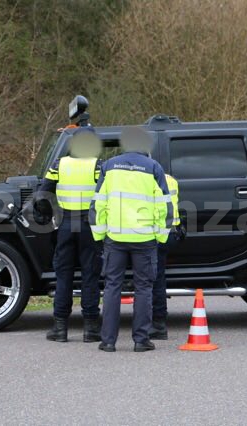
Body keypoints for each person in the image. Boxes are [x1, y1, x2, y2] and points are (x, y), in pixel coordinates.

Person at [89, 126, 173, 352]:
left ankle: (108, 341)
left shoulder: (109, 166)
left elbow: (98, 204)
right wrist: (160, 237)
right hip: (145, 239)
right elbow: (164, 207)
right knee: (144, 288)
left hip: (115, 238)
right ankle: (141, 340)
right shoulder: (154, 167)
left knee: (112, 286)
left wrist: (100, 235)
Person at [36, 127, 103, 343]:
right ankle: (91, 329)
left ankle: (60, 328)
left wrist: (47, 217)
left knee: (63, 276)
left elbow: (43, 193)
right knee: (90, 275)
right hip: (89, 225)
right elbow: (105, 193)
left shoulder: (60, 164)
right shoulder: (96, 165)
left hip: (66, 224)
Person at [149, 173, 183, 340]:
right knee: (157, 277)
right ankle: (157, 323)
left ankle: (157, 324)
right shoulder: (171, 179)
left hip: (154, 234)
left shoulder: (147, 179)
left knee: (152, 279)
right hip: (170, 232)